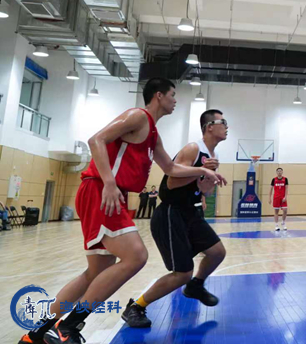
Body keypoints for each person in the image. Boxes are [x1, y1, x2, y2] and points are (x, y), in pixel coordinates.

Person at [20, 78, 225, 344]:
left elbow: (171, 168)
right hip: (101, 190)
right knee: (137, 256)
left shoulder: (153, 134)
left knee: (94, 273)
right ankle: (68, 327)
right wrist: (108, 182)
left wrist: (203, 171)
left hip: (110, 193)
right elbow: (96, 139)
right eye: (172, 95)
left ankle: (36, 333)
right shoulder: (137, 116)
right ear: (158, 95)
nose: (175, 100)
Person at [121, 109, 229, 328]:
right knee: (182, 273)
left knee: (217, 252)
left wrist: (207, 180)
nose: (227, 127)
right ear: (209, 127)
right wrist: (200, 170)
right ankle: (136, 306)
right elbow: (171, 183)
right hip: (171, 212)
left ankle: (195, 286)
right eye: (223, 122)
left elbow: (205, 190)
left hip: (191, 212)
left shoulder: (213, 155)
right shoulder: (193, 148)